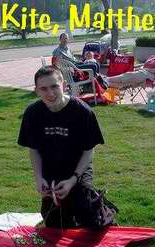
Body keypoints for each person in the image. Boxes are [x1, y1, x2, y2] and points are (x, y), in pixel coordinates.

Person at [18, 66, 105, 228]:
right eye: (43, 88)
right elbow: (34, 149)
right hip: (51, 169)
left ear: (64, 85)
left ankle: (99, 205)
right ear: (36, 90)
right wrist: (39, 178)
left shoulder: (82, 112)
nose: (50, 94)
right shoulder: (33, 113)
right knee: (54, 225)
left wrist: (73, 180)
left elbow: (88, 150)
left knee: (91, 222)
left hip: (78, 168)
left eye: (54, 86)